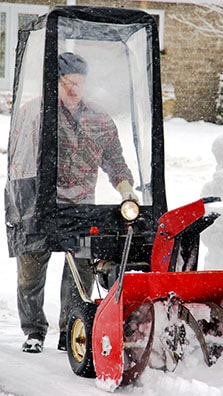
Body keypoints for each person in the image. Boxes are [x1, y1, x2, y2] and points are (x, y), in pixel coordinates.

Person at [18, 52, 137, 353]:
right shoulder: (36, 114)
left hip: (82, 205)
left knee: (80, 272)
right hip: (39, 205)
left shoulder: (98, 118)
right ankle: (33, 330)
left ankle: (69, 331)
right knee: (31, 270)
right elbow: (21, 162)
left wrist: (126, 190)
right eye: (67, 83)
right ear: (55, 83)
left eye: (79, 83)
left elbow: (115, 160)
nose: (73, 89)